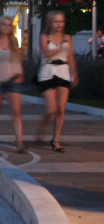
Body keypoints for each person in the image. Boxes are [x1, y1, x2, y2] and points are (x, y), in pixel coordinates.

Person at [36, 11, 79, 153]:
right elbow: (45, 53)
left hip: (63, 73)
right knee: (50, 109)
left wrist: (74, 73)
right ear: (50, 23)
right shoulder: (44, 37)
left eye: (61, 21)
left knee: (61, 108)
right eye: (56, 21)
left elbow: (70, 57)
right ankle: (41, 130)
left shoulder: (67, 38)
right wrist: (61, 47)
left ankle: (55, 139)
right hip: (47, 73)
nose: (59, 24)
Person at [0, 16, 25, 153]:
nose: (7, 27)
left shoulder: (14, 42)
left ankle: (19, 143)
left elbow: (18, 60)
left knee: (16, 112)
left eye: (9, 25)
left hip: (13, 79)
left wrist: (20, 75)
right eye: (4, 24)